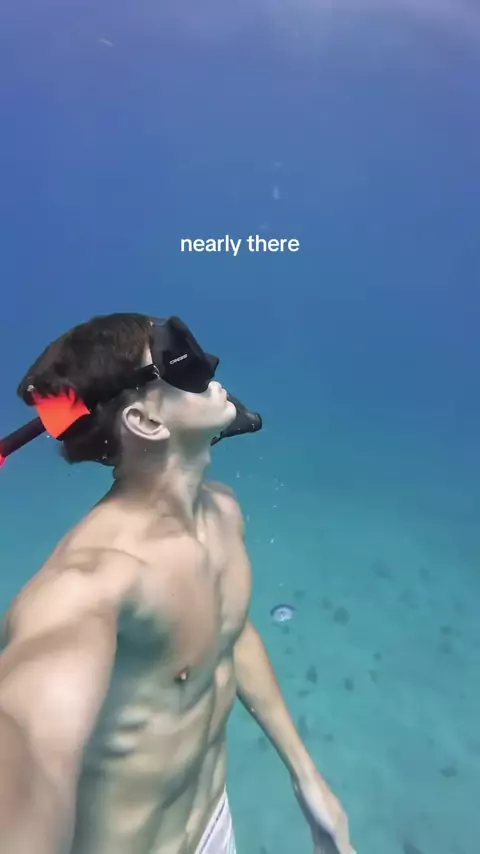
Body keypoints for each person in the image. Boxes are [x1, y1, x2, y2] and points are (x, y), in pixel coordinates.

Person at [0, 313, 356, 854]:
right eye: (178, 358)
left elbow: (225, 635)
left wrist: (306, 777)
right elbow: (29, 742)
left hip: (214, 823)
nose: (209, 366)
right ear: (145, 421)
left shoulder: (221, 512)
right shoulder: (90, 583)